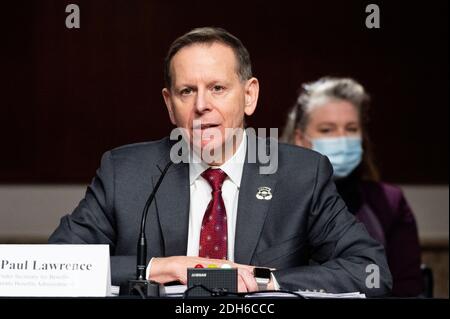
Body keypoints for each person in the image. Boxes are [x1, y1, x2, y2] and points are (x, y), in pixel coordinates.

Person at [49, 28, 392, 296]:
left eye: (217, 88)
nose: (201, 105)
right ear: (170, 105)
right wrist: (160, 268)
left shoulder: (302, 175)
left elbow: (370, 271)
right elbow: (57, 265)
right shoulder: (125, 172)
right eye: (187, 91)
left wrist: (261, 281)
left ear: (249, 96)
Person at [280, 77, 422, 296]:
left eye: (351, 128)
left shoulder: (389, 201)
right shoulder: (274, 200)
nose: (342, 138)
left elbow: (406, 287)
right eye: (327, 130)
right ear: (301, 138)